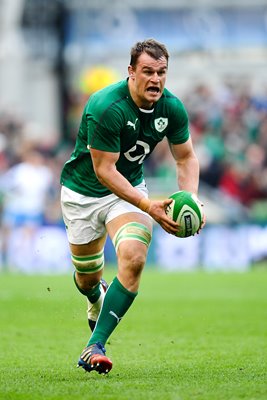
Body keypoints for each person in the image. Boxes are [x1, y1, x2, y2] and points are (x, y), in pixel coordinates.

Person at [60, 38, 204, 375]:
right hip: (82, 194)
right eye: (148, 72)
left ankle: (95, 345)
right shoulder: (106, 106)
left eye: (162, 72)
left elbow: (186, 158)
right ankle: (96, 294)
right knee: (86, 278)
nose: (156, 79)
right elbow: (103, 170)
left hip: (127, 193)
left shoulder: (172, 108)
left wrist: (192, 198)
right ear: (131, 72)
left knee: (135, 257)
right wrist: (147, 204)